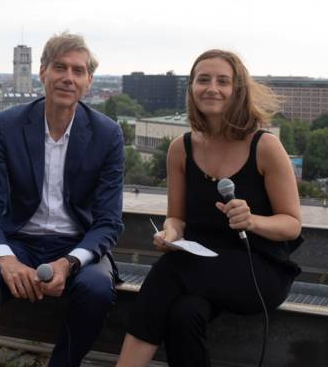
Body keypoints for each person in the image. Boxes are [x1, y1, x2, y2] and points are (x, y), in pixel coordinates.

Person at [116, 49, 303, 367]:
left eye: (222, 81)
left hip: (257, 269)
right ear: (191, 88)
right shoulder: (181, 149)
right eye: (203, 79)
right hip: (201, 266)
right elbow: (177, 217)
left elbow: (292, 224)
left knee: (169, 271)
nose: (212, 88)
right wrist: (170, 233)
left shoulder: (265, 146)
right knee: (183, 314)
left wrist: (252, 221)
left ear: (237, 90)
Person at [0, 32, 125, 367]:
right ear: (43, 72)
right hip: (19, 241)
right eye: (60, 67)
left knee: (97, 289)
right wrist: (6, 260)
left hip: (77, 244)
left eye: (78, 71)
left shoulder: (107, 134)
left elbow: (108, 221)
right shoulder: (8, 125)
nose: (68, 77)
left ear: (88, 81)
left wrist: (69, 262)